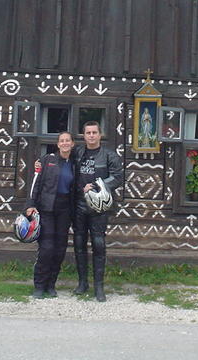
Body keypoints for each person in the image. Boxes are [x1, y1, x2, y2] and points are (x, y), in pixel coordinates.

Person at [72, 121, 123, 302]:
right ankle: (82, 283)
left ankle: (99, 287)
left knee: (98, 244)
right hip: (79, 204)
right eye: (88, 133)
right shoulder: (77, 153)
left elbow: (117, 177)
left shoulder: (110, 155)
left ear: (100, 135)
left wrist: (95, 186)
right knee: (79, 243)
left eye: (94, 132)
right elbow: (65, 168)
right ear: (84, 135)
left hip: (99, 205)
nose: (91, 135)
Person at [24, 131, 75, 299]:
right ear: (58, 144)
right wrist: (30, 204)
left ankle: (51, 285)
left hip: (65, 210)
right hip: (46, 208)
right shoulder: (47, 160)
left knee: (60, 249)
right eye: (62, 141)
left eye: (68, 140)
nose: (65, 143)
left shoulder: (75, 163)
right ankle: (39, 286)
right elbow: (35, 183)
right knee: (46, 248)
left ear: (72, 144)